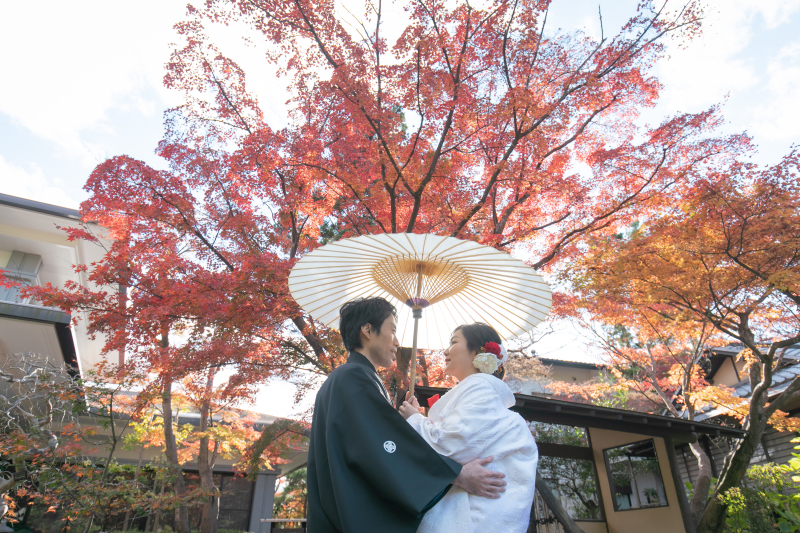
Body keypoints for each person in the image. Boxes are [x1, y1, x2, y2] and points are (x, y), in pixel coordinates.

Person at [306, 298, 507, 533]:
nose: (397, 342)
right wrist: (458, 474)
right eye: (392, 330)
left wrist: (406, 423)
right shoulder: (352, 378)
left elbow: (373, 440)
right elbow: (378, 450)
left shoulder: (354, 378)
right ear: (368, 330)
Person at [399, 323, 539, 533]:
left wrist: (415, 420)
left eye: (454, 342)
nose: (446, 350)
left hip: (473, 519)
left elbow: (451, 446)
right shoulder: (478, 390)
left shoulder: (481, 388)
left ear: (477, 352)